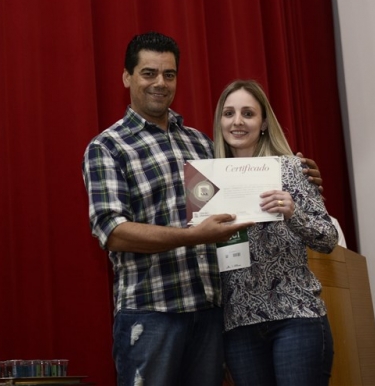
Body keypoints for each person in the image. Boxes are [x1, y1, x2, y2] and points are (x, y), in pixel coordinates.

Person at [82, 33, 325, 386]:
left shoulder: (201, 144)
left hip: (211, 313)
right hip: (151, 312)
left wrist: (297, 173)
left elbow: (248, 182)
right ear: (127, 77)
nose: (160, 83)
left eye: (169, 74)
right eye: (148, 73)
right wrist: (194, 236)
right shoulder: (107, 147)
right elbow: (113, 232)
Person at [213, 79, 338, 386]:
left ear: (264, 123)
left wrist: (293, 213)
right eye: (229, 113)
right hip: (239, 326)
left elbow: (328, 239)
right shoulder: (208, 180)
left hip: (296, 316)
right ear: (220, 122)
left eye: (248, 113)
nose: (237, 122)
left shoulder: (291, 168)